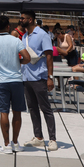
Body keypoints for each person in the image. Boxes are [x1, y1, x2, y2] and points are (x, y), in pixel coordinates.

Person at [0, 15, 31, 154]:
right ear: (8, 26)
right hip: (16, 80)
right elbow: (27, 58)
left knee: (3, 112)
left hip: (2, 82)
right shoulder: (16, 40)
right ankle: (15, 142)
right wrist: (18, 63)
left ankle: (6, 144)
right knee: (17, 112)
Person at [20, 10, 57, 150]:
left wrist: (50, 77)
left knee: (45, 109)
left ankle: (52, 139)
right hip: (27, 77)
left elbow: (49, 56)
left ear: (30, 20)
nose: (20, 20)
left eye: (22, 18)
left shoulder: (42, 35)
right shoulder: (25, 36)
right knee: (32, 108)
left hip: (39, 77)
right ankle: (38, 137)